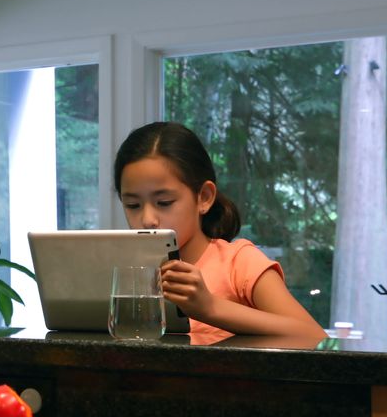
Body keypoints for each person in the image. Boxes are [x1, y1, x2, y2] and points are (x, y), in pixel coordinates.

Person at [114, 122, 326, 339]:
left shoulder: (239, 263)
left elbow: (312, 335)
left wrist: (210, 307)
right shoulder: (118, 270)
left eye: (164, 202)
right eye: (132, 205)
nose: (148, 220)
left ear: (204, 197)